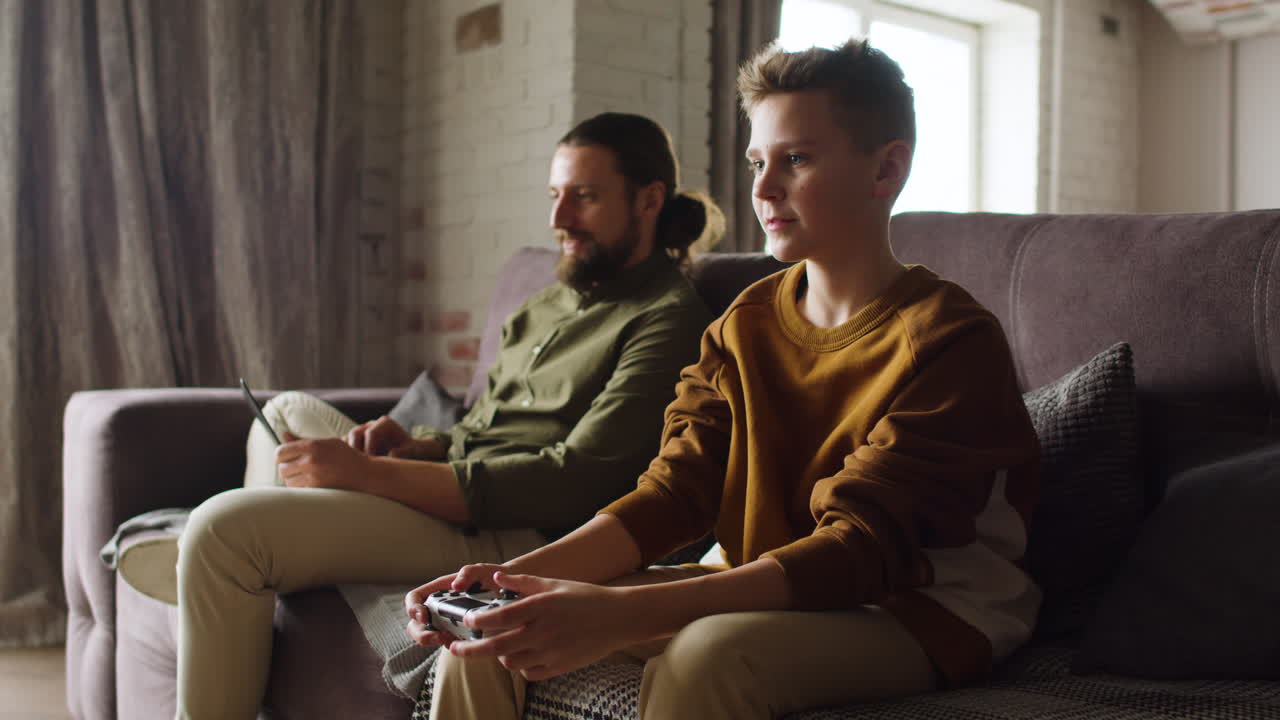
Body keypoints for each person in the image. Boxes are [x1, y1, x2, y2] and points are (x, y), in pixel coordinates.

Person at [404, 38, 1042, 720]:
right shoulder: (746, 324)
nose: (764, 189)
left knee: (708, 655)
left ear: (886, 169)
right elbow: (677, 490)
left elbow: (859, 551)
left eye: (796, 160)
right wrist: (511, 583)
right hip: (761, 575)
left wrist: (619, 611)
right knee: (492, 633)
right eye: (758, 162)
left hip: (921, 606)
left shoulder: (949, 339)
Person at [116, 112, 721, 720]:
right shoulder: (548, 303)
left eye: (584, 197)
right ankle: (228, 575)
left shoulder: (667, 319)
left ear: (649, 200)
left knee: (225, 530)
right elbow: (480, 427)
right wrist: (419, 444)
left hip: (519, 525)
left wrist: (368, 477)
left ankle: (219, 564)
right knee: (286, 411)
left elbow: (576, 478)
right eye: (555, 195)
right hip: (459, 482)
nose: (558, 219)